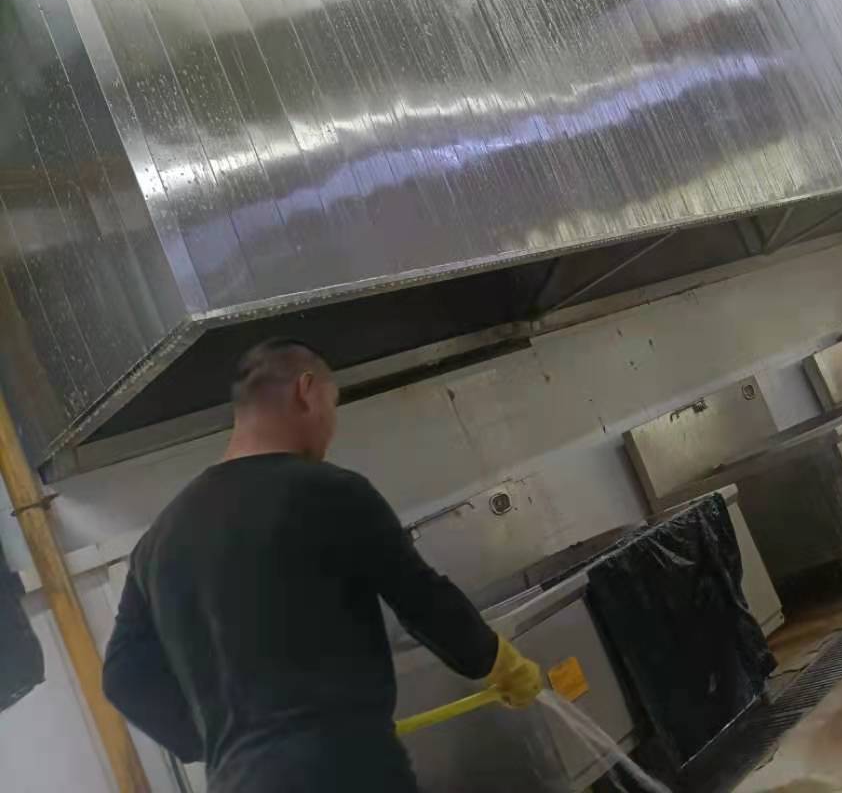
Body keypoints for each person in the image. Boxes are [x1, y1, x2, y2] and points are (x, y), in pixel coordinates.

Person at [102, 339, 542, 793]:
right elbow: (422, 599)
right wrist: (497, 662)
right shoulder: (330, 491)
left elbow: (122, 676)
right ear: (306, 390)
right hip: (344, 771)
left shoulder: (156, 543)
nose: (331, 427)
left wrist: (218, 743)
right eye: (333, 405)